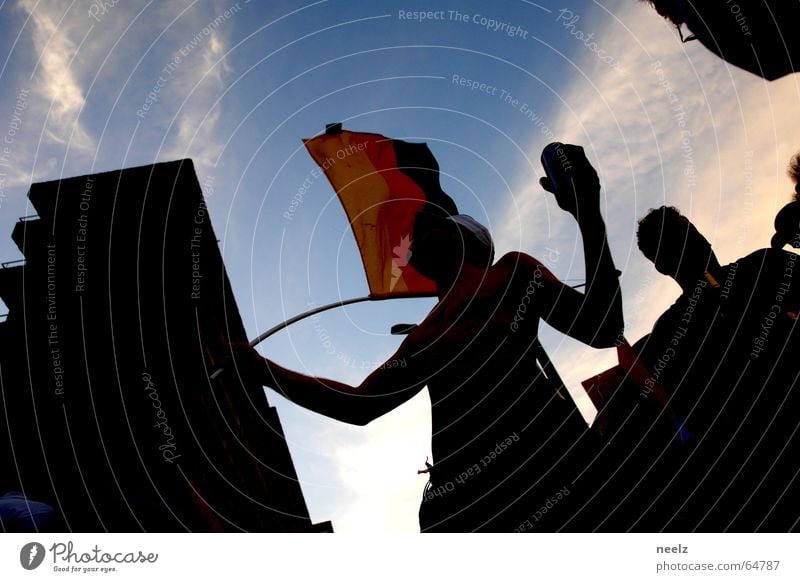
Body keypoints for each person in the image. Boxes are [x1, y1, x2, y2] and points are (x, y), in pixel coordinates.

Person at [230, 144, 624, 532]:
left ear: (464, 238)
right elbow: (358, 405)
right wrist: (258, 367)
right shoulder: (424, 337)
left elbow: (604, 328)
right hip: (470, 510)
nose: (414, 233)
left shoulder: (509, 275)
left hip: (550, 474)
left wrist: (587, 211)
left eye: (429, 223)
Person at [633, 203, 800, 531]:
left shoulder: (766, 263)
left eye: (688, 227)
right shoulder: (664, 337)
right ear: (663, 264)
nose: (694, 235)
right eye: (681, 233)